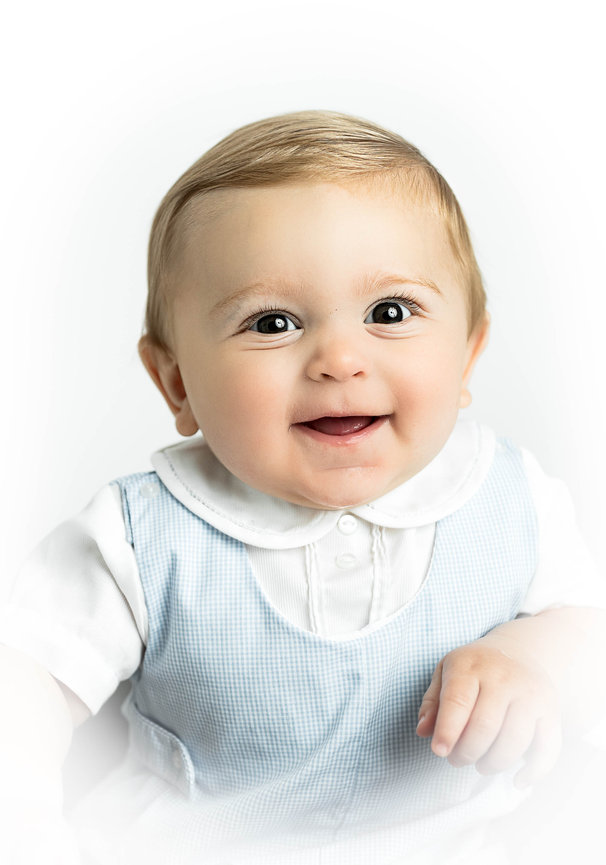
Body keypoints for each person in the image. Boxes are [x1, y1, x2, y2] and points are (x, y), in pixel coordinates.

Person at [1, 110, 605, 865]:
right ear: (177, 382)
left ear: (468, 357)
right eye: (274, 322)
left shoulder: (514, 500)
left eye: (391, 311)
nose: (340, 359)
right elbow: (28, 679)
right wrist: (25, 822)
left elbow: (591, 633)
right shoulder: (138, 534)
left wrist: (538, 659)